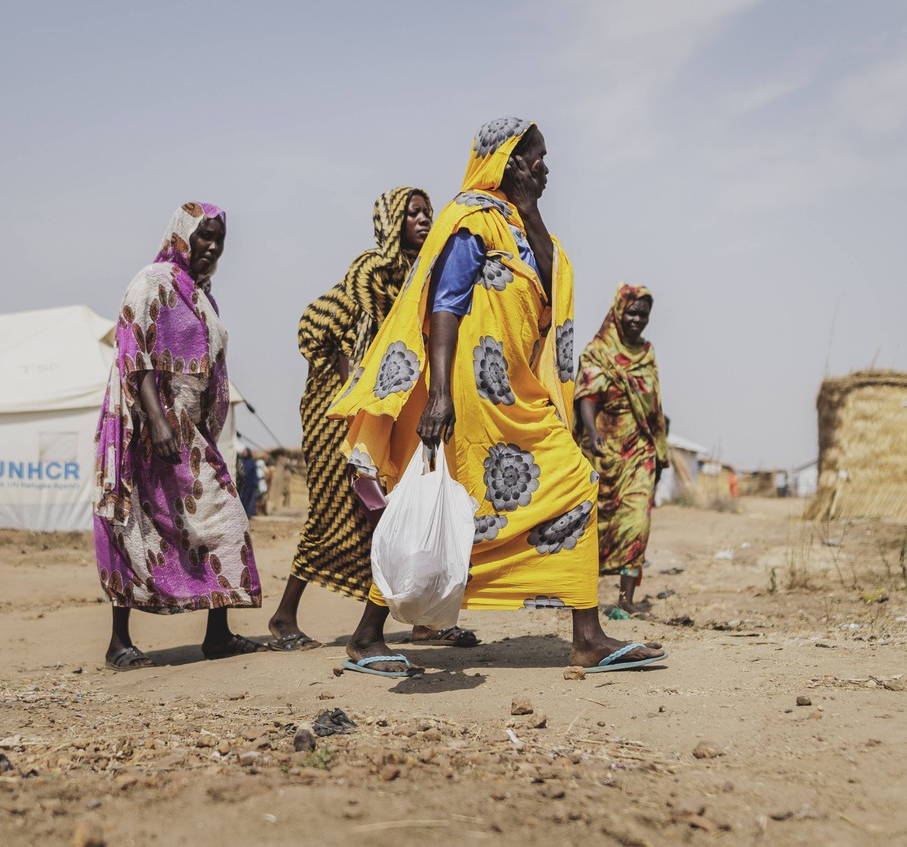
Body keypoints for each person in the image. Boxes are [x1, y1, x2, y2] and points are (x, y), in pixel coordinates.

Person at [327, 118, 667, 677]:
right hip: (468, 397)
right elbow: (445, 306)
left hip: (515, 394)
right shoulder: (472, 221)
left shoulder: (521, 228)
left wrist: (530, 210)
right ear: (510, 163)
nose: (546, 168)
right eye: (537, 158)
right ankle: (367, 636)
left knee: (555, 490)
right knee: (445, 507)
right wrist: (439, 395)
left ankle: (587, 638)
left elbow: (552, 285)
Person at [269, 188, 482, 651]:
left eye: (427, 212)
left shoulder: (424, 272)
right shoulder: (371, 272)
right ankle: (284, 617)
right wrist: (355, 386)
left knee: (403, 511)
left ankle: (423, 620)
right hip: (341, 412)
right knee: (335, 513)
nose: (423, 220)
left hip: (395, 409)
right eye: (412, 213)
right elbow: (323, 326)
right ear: (391, 221)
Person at [92, 201, 264, 671]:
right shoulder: (154, 281)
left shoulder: (203, 297)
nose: (212, 247)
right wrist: (158, 421)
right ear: (182, 234)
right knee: (133, 525)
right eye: (204, 235)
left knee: (224, 520)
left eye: (219, 240)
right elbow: (133, 348)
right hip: (147, 428)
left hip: (190, 432)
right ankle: (118, 642)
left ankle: (218, 635)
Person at [575, 284, 669, 615]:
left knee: (637, 522)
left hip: (640, 449)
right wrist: (592, 431)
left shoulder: (647, 353)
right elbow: (587, 396)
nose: (637, 320)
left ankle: (626, 600)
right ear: (618, 312)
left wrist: (659, 450)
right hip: (604, 448)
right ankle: (583, 596)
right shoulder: (598, 351)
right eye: (631, 312)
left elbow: (654, 406)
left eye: (643, 314)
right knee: (595, 524)